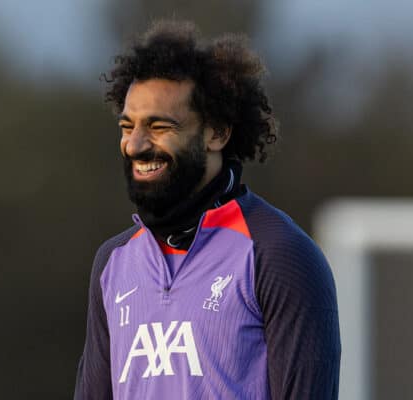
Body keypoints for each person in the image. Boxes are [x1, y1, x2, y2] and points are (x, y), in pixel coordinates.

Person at [74, 19, 340, 400]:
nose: (134, 144)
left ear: (217, 132)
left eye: (159, 126)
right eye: (127, 126)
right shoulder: (113, 262)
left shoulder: (280, 256)